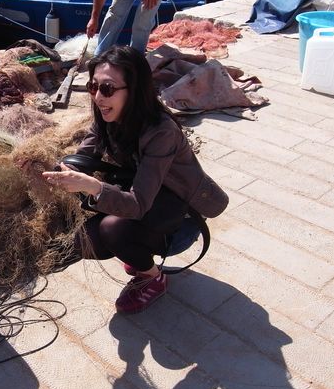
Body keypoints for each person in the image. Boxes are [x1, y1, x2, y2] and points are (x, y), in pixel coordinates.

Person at [42, 46, 228, 314]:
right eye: (93, 87)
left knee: (111, 230)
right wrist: (60, 170)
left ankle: (153, 278)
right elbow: (86, 152)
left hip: (180, 219)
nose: (97, 97)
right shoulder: (110, 114)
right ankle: (137, 249)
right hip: (151, 198)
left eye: (107, 88)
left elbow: (138, 204)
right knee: (88, 241)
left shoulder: (161, 131)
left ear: (135, 89)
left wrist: (92, 186)